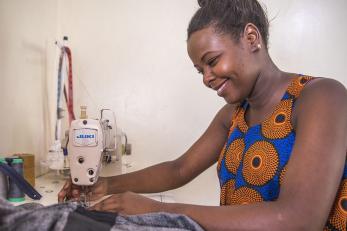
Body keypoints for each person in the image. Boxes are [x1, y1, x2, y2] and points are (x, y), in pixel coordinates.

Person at [58, 0, 347, 230]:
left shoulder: (321, 97)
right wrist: (104, 185)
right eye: (200, 70)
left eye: (212, 62)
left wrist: (156, 209)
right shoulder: (232, 116)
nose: (207, 78)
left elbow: (297, 220)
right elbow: (179, 169)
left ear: (251, 37)